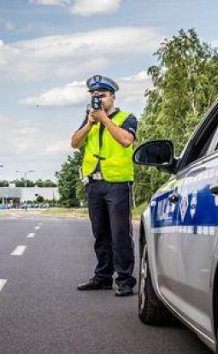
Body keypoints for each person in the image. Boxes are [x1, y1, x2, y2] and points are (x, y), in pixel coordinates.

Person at [71, 74, 137, 297]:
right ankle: (103, 277)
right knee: (100, 234)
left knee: (120, 235)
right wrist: (90, 122)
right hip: (94, 184)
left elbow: (126, 140)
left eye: (101, 95)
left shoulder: (127, 117)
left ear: (112, 97)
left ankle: (125, 280)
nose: (97, 98)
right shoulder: (89, 119)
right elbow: (74, 142)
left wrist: (105, 120)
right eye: (93, 95)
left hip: (117, 184)